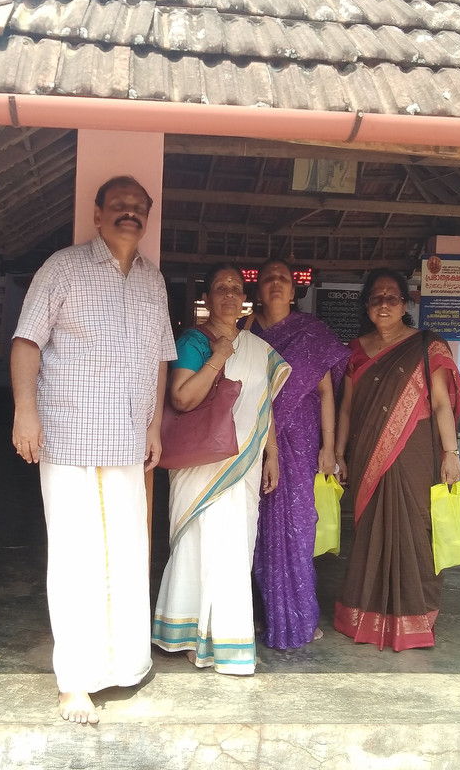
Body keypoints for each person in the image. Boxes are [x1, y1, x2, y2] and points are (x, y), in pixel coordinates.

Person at [10, 175, 176, 724]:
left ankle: (126, 664)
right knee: (75, 559)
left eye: (140, 208)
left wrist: (153, 427)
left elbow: (159, 361)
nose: (131, 214)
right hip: (68, 435)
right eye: (120, 205)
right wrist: (24, 411)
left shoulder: (154, 283)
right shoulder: (62, 267)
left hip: (128, 440)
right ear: (98, 212)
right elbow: (26, 341)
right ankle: (75, 682)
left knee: (128, 554)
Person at [151, 264, 291, 674]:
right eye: (220, 287)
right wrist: (219, 355)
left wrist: (272, 455)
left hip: (243, 464)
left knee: (234, 547)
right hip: (202, 463)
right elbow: (181, 398)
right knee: (201, 544)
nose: (229, 293)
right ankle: (193, 635)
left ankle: (223, 636)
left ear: (244, 297)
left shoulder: (256, 347)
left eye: (236, 287)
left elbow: (262, 407)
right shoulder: (195, 340)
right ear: (208, 299)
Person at [333, 268, 460, 651]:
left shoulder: (427, 345)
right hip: (368, 453)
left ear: (404, 303)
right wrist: (339, 453)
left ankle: (414, 616)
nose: (385, 303)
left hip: (417, 452)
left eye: (392, 296)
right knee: (371, 531)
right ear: (368, 306)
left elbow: (441, 403)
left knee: (415, 529)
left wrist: (451, 453)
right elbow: (346, 409)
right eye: (377, 297)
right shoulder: (356, 350)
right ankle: (367, 615)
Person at [240, 258, 350, 649]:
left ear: (294, 289)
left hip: (301, 442)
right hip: (253, 442)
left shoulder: (311, 333)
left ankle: (299, 615)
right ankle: (259, 614)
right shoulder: (244, 333)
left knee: (298, 531)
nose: (275, 284)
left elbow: (325, 393)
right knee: (254, 532)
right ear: (257, 289)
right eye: (268, 278)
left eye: (283, 279)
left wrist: (329, 447)